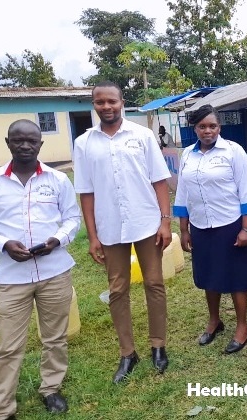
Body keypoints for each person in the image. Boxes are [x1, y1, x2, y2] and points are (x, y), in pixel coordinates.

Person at [0, 119, 81, 418]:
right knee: (8, 346)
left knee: (54, 338)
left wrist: (57, 240)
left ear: (40, 144)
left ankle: (51, 388)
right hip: (12, 277)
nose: (25, 145)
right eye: (18, 140)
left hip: (54, 272)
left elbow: (72, 219)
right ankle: (2, 408)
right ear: (8, 143)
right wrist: (4, 244)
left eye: (31, 140)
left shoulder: (58, 180)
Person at [73, 81, 173, 383]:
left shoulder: (142, 136)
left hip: (146, 222)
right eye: (100, 102)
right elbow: (86, 192)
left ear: (122, 102)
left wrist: (165, 221)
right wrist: (93, 236)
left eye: (112, 101)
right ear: (94, 104)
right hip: (110, 226)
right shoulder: (84, 143)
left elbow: (159, 180)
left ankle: (158, 345)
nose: (106, 106)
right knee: (117, 290)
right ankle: (127, 353)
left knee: (154, 283)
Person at [174, 104, 247, 354]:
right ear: (195, 129)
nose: (207, 131)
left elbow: (246, 190)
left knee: (236, 277)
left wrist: (246, 229)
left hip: (229, 223)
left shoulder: (233, 151)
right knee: (208, 275)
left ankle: (242, 327)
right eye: (202, 126)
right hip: (200, 225)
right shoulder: (187, 155)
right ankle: (214, 321)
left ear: (219, 127)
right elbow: (182, 193)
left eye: (212, 126)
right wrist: (184, 230)